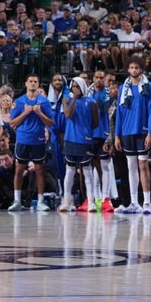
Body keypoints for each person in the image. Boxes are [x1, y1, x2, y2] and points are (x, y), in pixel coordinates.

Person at [115, 56, 151, 214]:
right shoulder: (122, 88)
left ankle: (147, 202)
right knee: (131, 167)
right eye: (131, 68)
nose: (134, 70)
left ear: (141, 69)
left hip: (142, 131)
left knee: (143, 166)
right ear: (128, 69)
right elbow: (119, 112)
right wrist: (117, 135)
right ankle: (134, 202)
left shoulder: (149, 86)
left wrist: (150, 133)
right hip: (126, 132)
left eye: (136, 68)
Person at [9, 73, 55, 211]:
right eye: (31, 81)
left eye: (36, 81)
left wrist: (40, 113)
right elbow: (12, 123)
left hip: (39, 140)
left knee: (39, 170)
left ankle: (40, 201)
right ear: (26, 84)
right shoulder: (18, 101)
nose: (33, 83)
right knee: (19, 170)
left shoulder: (44, 102)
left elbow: (51, 122)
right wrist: (25, 113)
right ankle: (17, 201)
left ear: (38, 84)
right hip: (23, 139)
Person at [57, 78, 99, 212]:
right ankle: (66, 201)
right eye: (72, 86)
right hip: (70, 140)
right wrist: (74, 98)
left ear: (82, 87)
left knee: (87, 171)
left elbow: (95, 122)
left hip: (85, 140)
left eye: (77, 86)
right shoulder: (66, 99)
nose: (75, 88)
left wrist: (85, 131)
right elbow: (68, 115)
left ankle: (91, 201)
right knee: (70, 171)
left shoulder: (91, 102)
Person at [88, 70, 115, 212]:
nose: (98, 79)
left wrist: (110, 138)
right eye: (96, 77)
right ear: (93, 78)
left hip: (103, 134)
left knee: (104, 167)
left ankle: (105, 199)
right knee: (91, 167)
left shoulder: (108, 95)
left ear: (104, 79)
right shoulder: (87, 93)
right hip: (89, 135)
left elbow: (111, 118)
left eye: (101, 77)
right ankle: (94, 198)